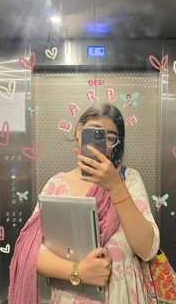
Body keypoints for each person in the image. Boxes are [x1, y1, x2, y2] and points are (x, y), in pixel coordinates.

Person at [8, 102, 160, 304]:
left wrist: (115, 188)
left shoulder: (128, 180)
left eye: (111, 137)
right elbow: (31, 252)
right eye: (95, 133)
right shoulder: (57, 185)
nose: (103, 142)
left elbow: (147, 249)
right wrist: (78, 271)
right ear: (79, 131)